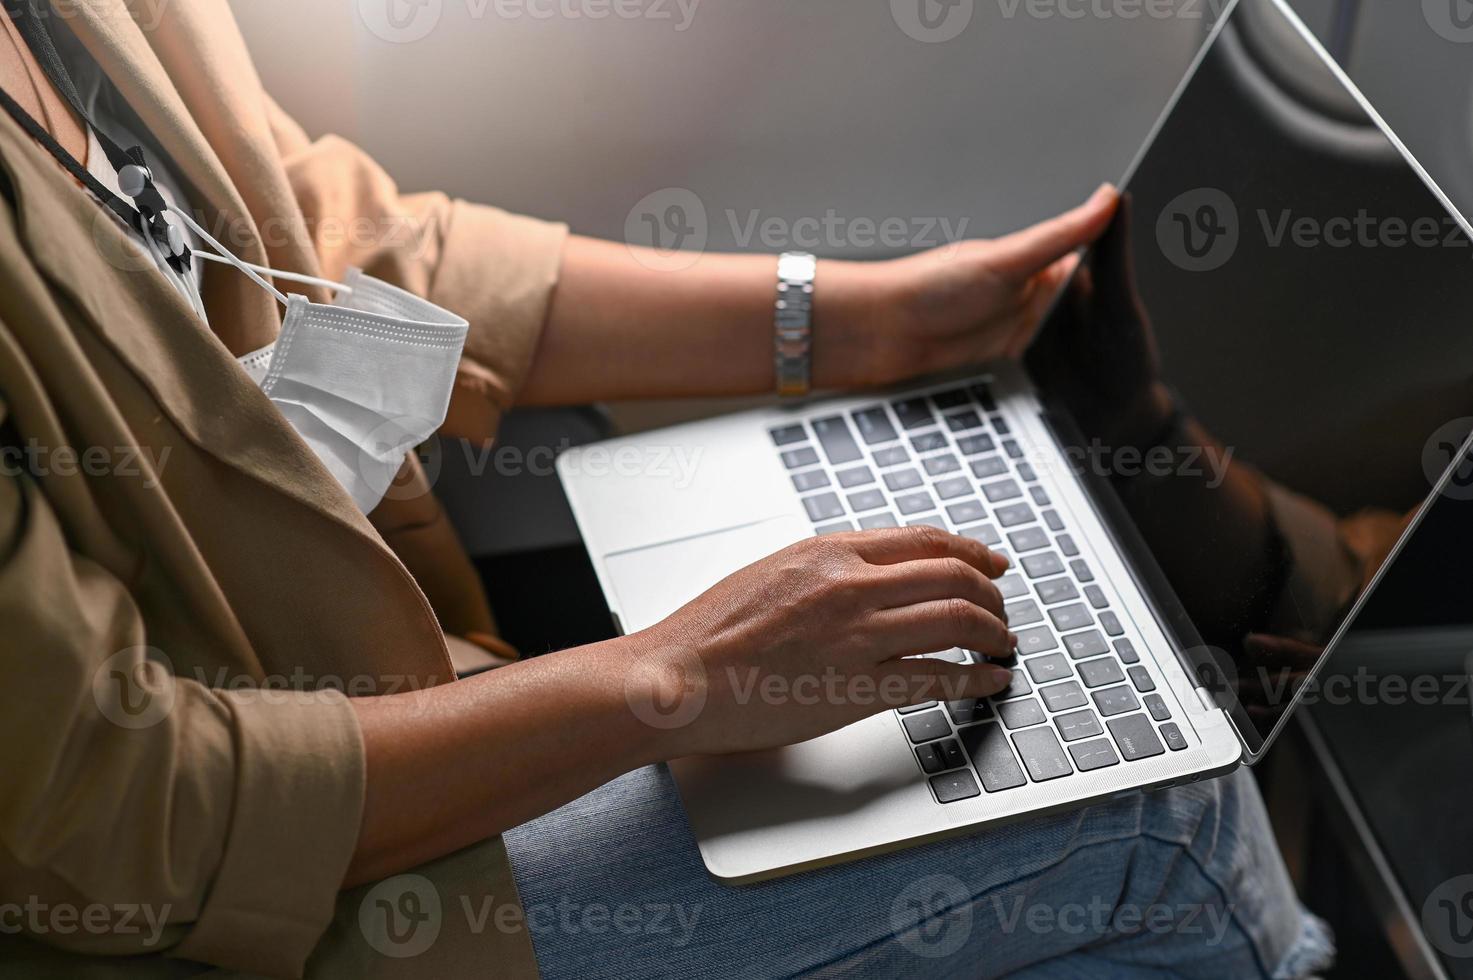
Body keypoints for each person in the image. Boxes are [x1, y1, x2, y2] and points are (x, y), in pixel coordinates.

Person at [0, 2, 1332, 977]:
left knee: (1093, 687)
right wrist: (672, 682)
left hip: (383, 699)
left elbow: (330, 242)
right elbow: (123, 810)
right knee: (1163, 812)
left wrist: (870, 324)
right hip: (241, 913)